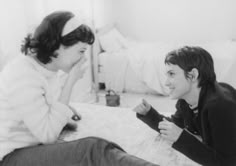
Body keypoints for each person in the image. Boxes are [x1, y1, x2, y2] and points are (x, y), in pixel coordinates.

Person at [0, 11, 159, 166]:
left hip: (28, 146)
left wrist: (64, 109)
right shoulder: (22, 75)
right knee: (92, 150)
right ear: (58, 47)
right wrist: (70, 82)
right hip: (9, 156)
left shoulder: (46, 69)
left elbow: (40, 106)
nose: (83, 59)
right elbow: (47, 135)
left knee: (101, 147)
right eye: (81, 51)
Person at [133, 46, 236, 166]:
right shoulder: (186, 100)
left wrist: (181, 138)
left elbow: (227, 162)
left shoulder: (220, 106)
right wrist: (148, 113)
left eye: (172, 74)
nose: (166, 82)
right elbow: (173, 126)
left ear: (192, 75)